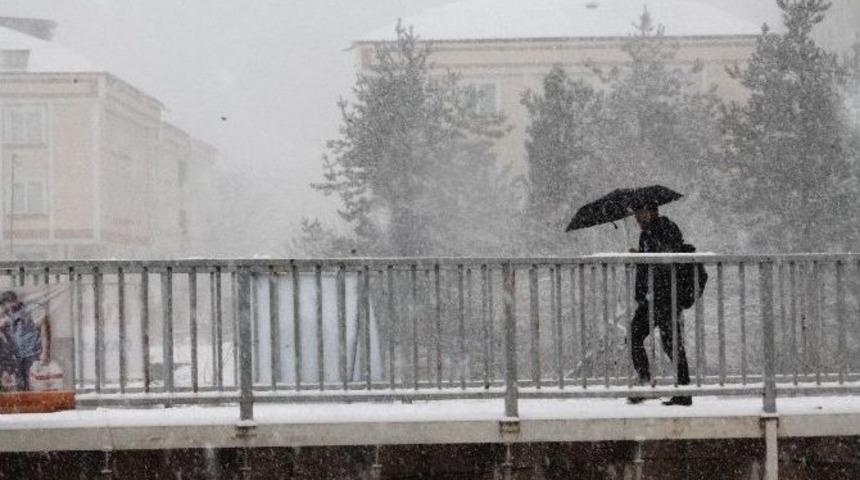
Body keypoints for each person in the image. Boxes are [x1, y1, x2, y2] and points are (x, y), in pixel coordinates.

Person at [627, 203, 692, 406]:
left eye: (641, 213)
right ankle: (646, 380)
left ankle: (683, 392)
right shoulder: (645, 234)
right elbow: (648, 265)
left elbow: (667, 257)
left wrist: (644, 257)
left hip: (667, 295)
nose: (638, 218)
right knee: (635, 335)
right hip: (651, 297)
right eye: (636, 214)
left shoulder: (666, 228)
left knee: (671, 344)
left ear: (653, 211)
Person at [0, 290, 51, 391]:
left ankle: (35, 404)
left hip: (33, 354)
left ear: (15, 301)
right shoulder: (5, 315)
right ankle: (25, 404)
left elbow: (44, 330)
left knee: (35, 383)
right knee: (19, 385)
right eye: (4, 305)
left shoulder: (32, 309)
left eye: (8, 304)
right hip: (15, 357)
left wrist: (45, 352)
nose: (7, 308)